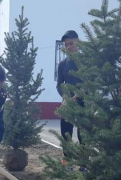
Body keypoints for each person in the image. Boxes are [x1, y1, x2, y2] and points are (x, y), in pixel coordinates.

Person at [56, 30, 84, 159]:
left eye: (71, 43)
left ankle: (84, 162)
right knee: (66, 132)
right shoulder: (62, 64)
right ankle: (67, 161)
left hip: (84, 102)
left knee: (83, 133)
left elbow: (92, 82)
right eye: (66, 45)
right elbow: (60, 84)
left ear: (77, 42)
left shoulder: (86, 61)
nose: (68, 47)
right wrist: (66, 97)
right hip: (68, 103)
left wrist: (79, 94)